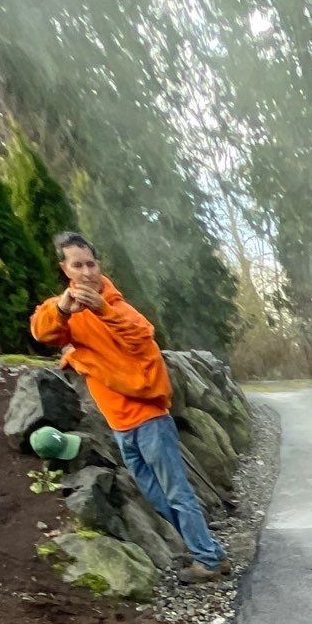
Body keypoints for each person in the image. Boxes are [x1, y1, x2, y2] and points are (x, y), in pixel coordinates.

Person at [31, 231, 228, 584]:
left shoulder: (115, 305)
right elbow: (42, 332)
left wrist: (102, 311)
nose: (87, 272)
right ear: (66, 269)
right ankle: (204, 548)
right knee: (154, 494)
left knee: (177, 492)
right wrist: (63, 309)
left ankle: (209, 560)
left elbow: (142, 335)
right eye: (78, 265)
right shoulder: (67, 314)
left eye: (91, 264)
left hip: (150, 418)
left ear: (99, 265)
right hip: (119, 425)